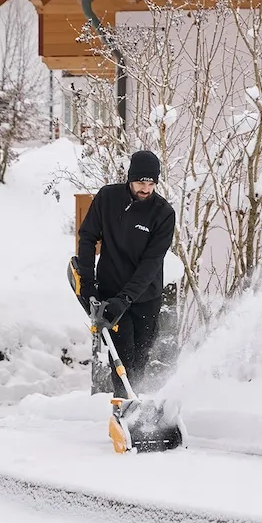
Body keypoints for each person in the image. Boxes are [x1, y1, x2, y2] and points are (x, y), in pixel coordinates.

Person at [75, 149, 176, 398]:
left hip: (145, 297)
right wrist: (87, 284)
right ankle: (123, 409)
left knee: (139, 360)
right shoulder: (108, 198)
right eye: (141, 182)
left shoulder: (163, 213)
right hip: (110, 292)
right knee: (121, 357)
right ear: (130, 178)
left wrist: (126, 298)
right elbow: (88, 237)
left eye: (151, 183)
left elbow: (151, 263)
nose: (146, 188)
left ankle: (135, 409)